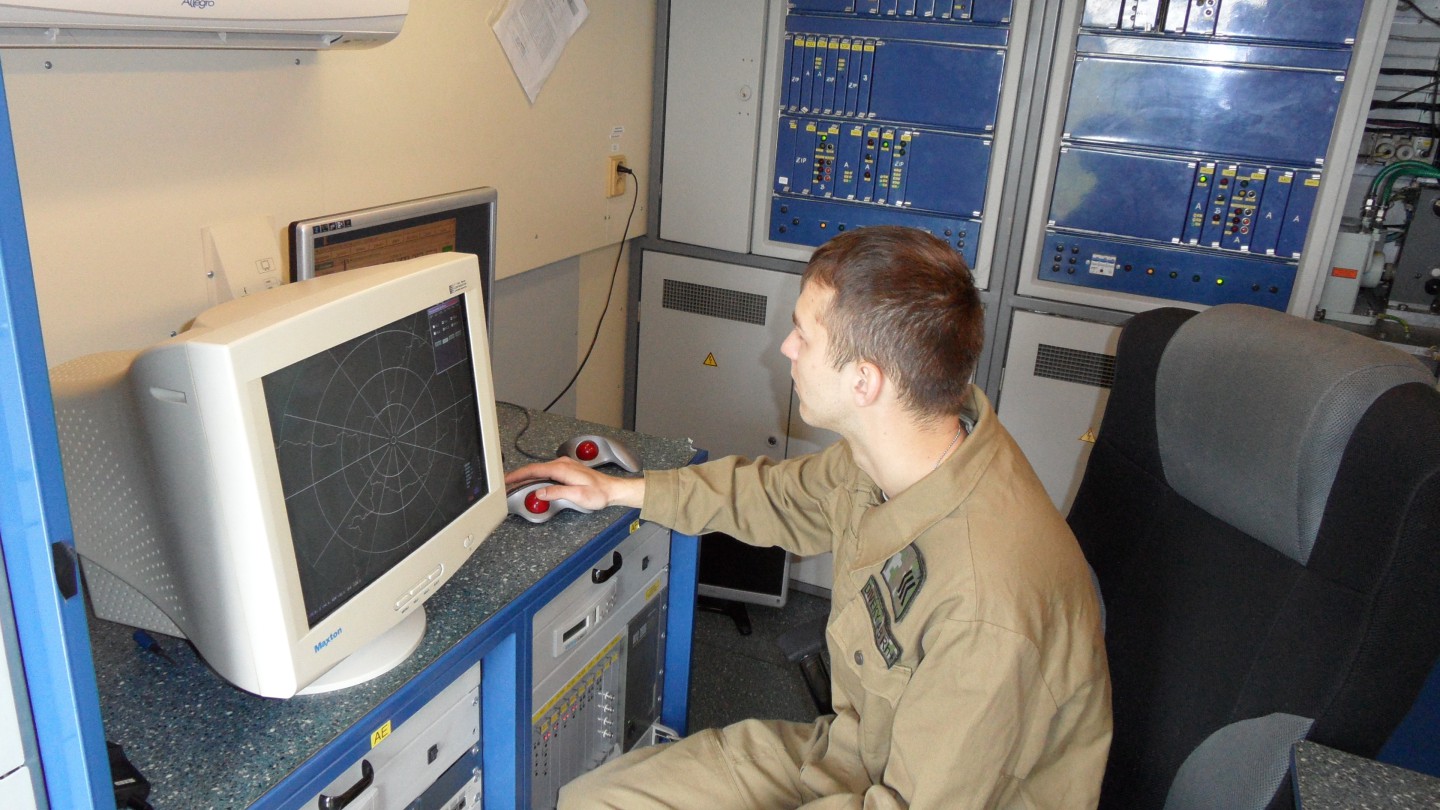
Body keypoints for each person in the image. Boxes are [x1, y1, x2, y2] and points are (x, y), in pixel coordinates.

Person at [505, 226, 1112, 809]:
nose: (786, 348)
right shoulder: (911, 446)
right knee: (592, 800)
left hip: (912, 790)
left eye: (803, 333)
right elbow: (779, 497)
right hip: (853, 754)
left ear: (864, 381)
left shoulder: (987, 606)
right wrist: (620, 490)